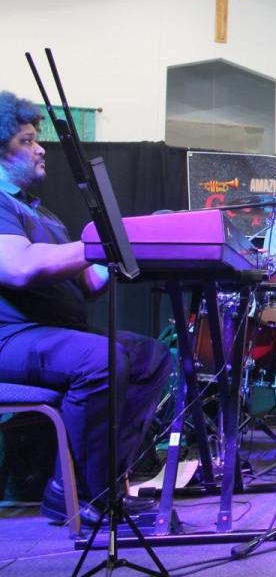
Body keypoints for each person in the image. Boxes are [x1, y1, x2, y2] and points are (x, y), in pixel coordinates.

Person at [0, 91, 172, 527]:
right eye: (26, 140)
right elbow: (18, 268)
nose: (40, 149)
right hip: (13, 337)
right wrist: (99, 243)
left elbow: (86, 283)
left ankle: (97, 483)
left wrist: (135, 242)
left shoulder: (45, 213)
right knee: (100, 360)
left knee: (150, 357)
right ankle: (74, 492)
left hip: (54, 334)